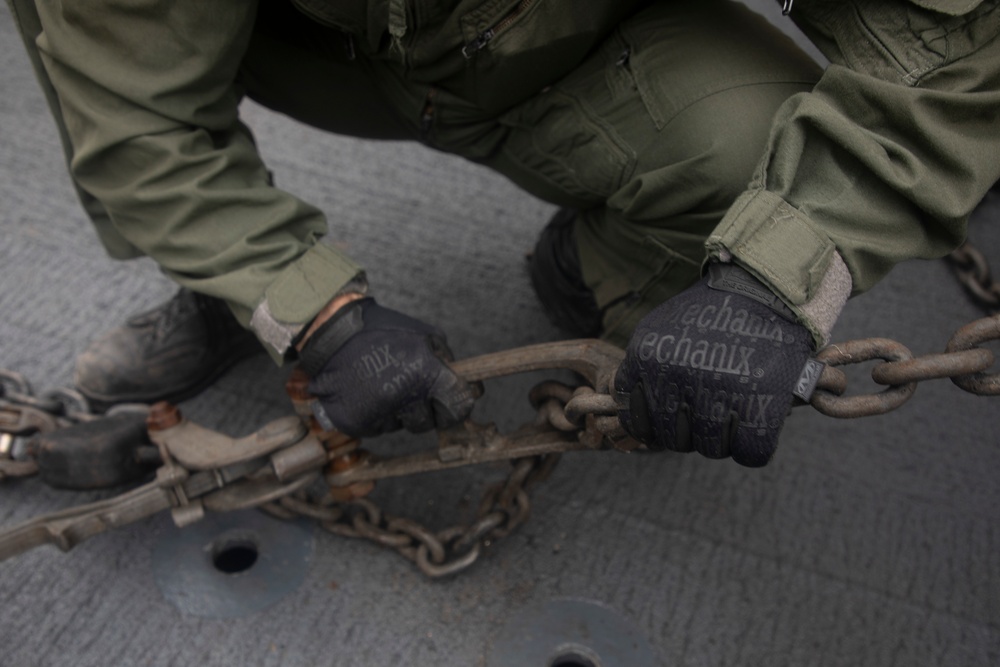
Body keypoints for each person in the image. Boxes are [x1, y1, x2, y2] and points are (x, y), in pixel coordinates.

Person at [7, 0, 999, 466]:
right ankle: (229, 283)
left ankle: (599, 270)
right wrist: (319, 315)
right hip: (309, 40)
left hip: (569, 48)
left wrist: (777, 280)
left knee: (753, 164)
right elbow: (137, 120)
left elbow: (961, 48)